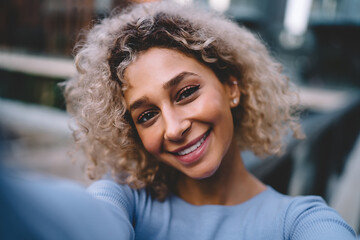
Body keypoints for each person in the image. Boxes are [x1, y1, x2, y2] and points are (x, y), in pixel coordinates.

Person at [64, 1, 357, 239]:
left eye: (187, 93)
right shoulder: (126, 199)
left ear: (232, 87)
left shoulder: (297, 222)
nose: (175, 128)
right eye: (148, 115)